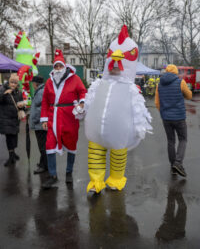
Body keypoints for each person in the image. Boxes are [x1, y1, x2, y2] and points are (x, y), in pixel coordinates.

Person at [84, 25, 152, 193]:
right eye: (112, 65)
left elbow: (138, 111)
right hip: (96, 131)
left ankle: (115, 179)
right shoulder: (98, 84)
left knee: (117, 156)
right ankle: (96, 182)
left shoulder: (130, 89)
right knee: (95, 154)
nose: (115, 68)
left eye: (118, 66)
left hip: (119, 132)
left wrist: (138, 129)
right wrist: (82, 110)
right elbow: (89, 102)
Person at [40, 49, 87, 189]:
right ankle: (53, 175)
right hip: (52, 116)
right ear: (53, 68)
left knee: (71, 144)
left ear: (65, 66)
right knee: (49, 145)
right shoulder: (49, 82)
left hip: (69, 116)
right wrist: (43, 119)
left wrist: (82, 102)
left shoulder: (75, 79)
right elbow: (44, 101)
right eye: (56, 66)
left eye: (60, 66)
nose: (58, 69)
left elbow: (83, 91)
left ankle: (68, 172)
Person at [155, 64, 192, 177]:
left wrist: (163, 113)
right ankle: (178, 163)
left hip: (166, 118)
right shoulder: (181, 82)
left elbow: (157, 103)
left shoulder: (159, 84)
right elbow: (189, 96)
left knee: (171, 141)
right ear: (176, 72)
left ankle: (173, 167)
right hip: (179, 117)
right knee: (183, 139)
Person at [0, 73, 25, 166]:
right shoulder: (3, 89)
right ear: (9, 82)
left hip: (15, 119)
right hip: (6, 118)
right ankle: (11, 156)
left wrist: (22, 106)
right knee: (9, 137)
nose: (13, 84)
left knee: (14, 136)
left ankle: (13, 153)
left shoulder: (18, 92)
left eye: (15, 83)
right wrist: (4, 94)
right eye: (12, 82)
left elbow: (21, 103)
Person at [30, 75, 48, 174]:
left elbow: (41, 109)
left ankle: (45, 166)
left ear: (36, 83)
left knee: (42, 146)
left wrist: (35, 119)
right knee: (42, 145)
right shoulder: (41, 91)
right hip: (40, 124)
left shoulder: (40, 92)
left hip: (40, 124)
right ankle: (42, 164)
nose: (32, 84)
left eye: (33, 82)